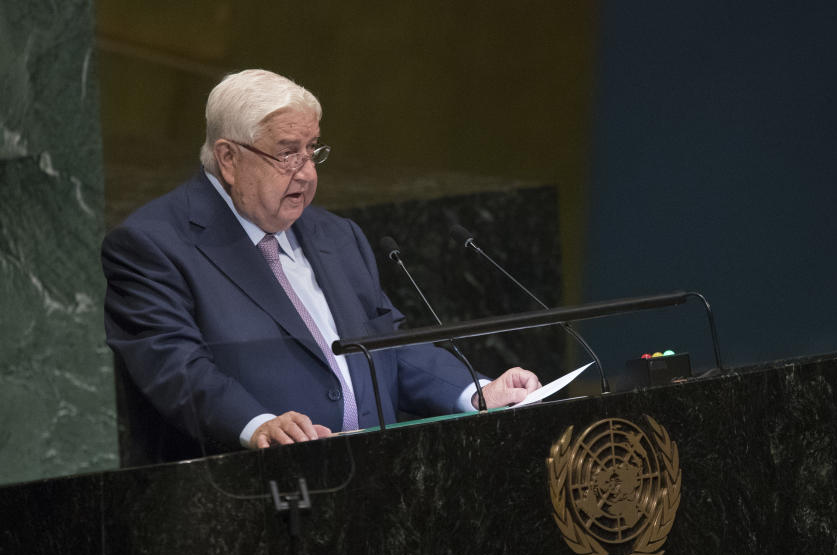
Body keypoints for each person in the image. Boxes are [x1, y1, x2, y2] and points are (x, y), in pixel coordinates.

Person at [102, 69, 540, 461]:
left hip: (375, 487)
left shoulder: (336, 235)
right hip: (246, 501)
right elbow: (176, 368)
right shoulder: (152, 245)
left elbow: (386, 347)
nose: (307, 172)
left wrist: (478, 391)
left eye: (312, 150)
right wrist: (257, 425)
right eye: (287, 153)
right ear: (228, 159)